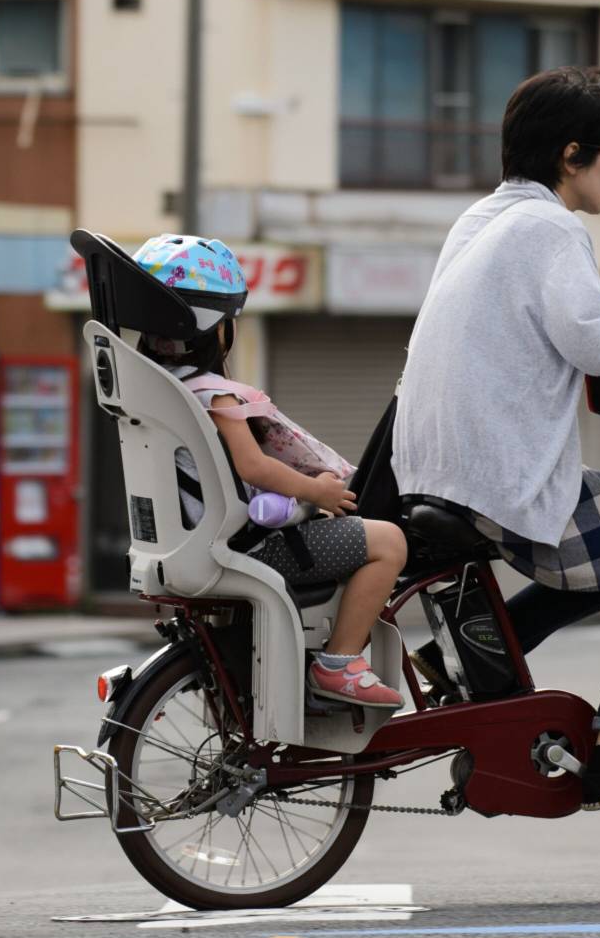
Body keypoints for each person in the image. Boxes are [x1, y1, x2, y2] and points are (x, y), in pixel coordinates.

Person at [392, 66, 600, 813]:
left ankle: (449, 659)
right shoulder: (552, 227)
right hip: (504, 469)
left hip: (436, 465)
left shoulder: (480, 219)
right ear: (572, 155)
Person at [132, 236, 409, 709]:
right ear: (216, 329)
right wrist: (315, 490)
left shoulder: (153, 394)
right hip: (248, 549)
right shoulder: (216, 395)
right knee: (388, 543)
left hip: (188, 545)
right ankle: (339, 663)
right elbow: (253, 464)